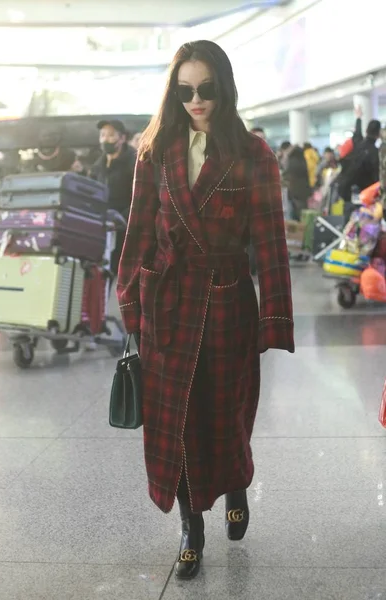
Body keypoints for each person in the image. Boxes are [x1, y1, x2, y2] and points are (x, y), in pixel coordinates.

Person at [117, 40, 294, 581]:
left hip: (226, 300)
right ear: (174, 91)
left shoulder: (253, 152)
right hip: (168, 303)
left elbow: (269, 242)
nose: (196, 100)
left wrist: (274, 317)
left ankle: (237, 480)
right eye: (185, 89)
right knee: (178, 422)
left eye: (207, 89)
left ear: (225, 87)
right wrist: (129, 297)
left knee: (227, 410)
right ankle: (191, 527)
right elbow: (139, 229)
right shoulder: (155, 149)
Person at [90, 119, 136, 279]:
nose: (105, 139)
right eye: (102, 135)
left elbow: (142, 197)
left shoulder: (135, 162)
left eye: (110, 135)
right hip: (102, 228)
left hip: (125, 228)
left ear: (122, 138)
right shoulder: (97, 165)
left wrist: (123, 218)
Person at [283, 145, 311, 220]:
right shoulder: (303, 161)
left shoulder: (291, 161)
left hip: (294, 190)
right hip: (303, 190)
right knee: (302, 211)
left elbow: (286, 174)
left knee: (294, 211)